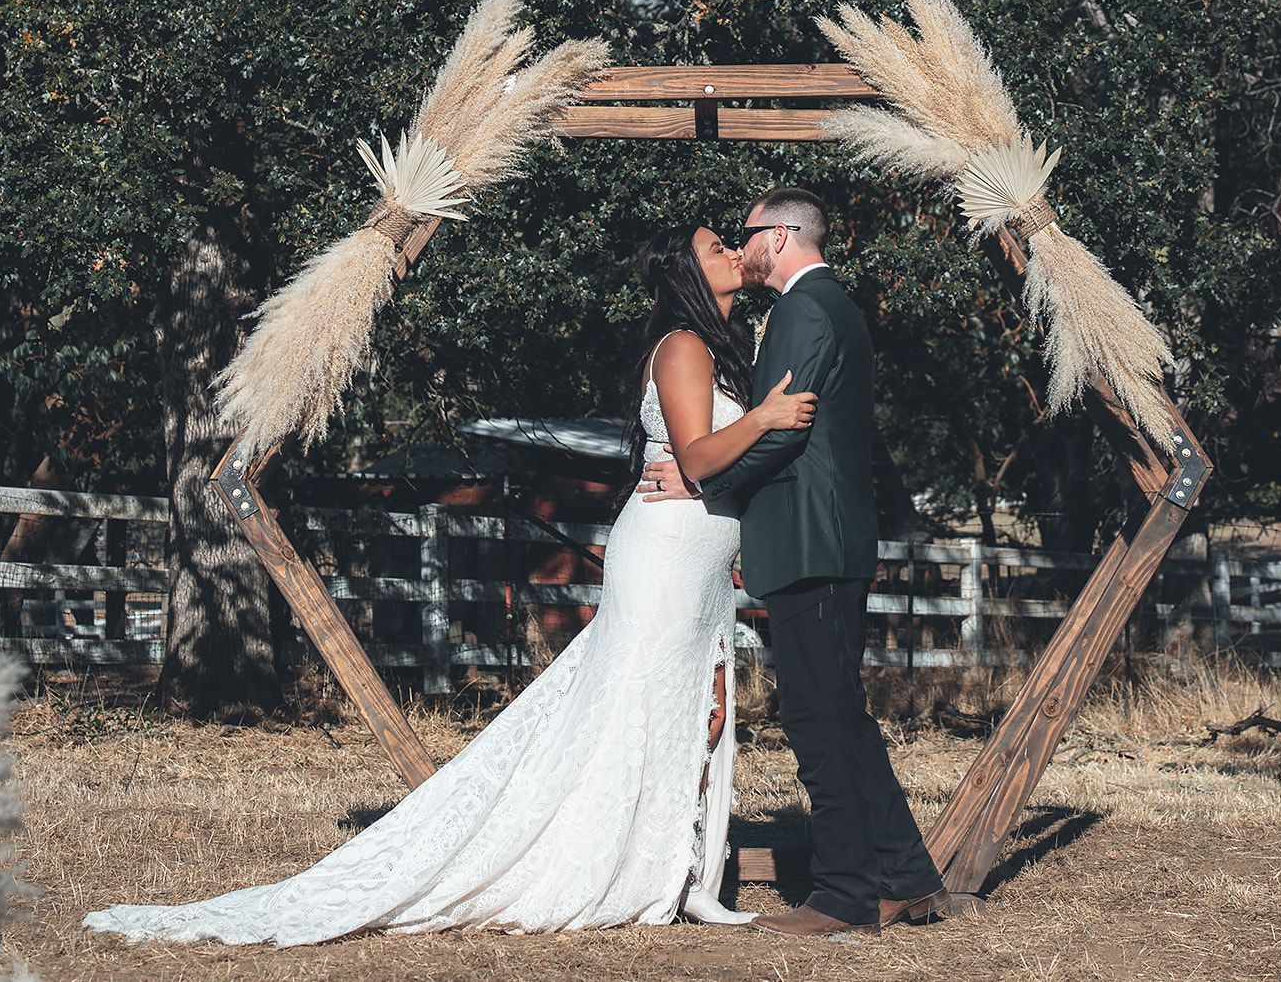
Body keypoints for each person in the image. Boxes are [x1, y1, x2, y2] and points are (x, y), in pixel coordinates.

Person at [82, 224, 817, 946]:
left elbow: (715, 466)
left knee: (703, 706)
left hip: (701, 562)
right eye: (715, 247)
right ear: (688, 277)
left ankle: (678, 864)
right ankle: (636, 864)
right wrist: (766, 419)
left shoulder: (731, 351)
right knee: (647, 705)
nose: (729, 251)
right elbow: (696, 455)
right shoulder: (684, 347)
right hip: (664, 558)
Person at [641, 189, 950, 937]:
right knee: (841, 713)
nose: (740, 251)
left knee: (815, 718)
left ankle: (844, 894)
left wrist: (700, 474)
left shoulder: (805, 310)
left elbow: (784, 431)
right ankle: (908, 876)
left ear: (778, 236)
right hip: (819, 538)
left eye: (744, 236)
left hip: (811, 542)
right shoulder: (823, 306)